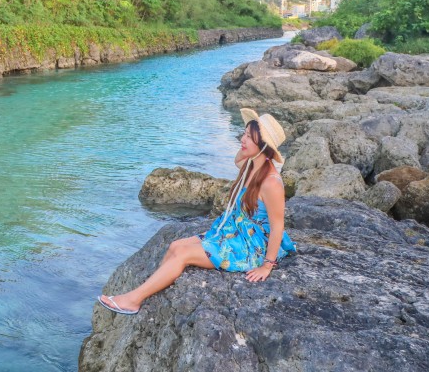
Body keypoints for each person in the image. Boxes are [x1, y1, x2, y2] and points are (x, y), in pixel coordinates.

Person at [98, 108, 297, 315]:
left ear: (263, 145)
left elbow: (277, 225)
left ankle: (134, 299)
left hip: (251, 244)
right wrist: (253, 147)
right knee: (175, 245)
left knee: (183, 254)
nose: (242, 139)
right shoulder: (250, 165)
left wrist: (267, 265)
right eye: (244, 133)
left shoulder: (272, 182)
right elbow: (238, 159)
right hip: (234, 230)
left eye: (249, 137)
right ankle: (152, 288)